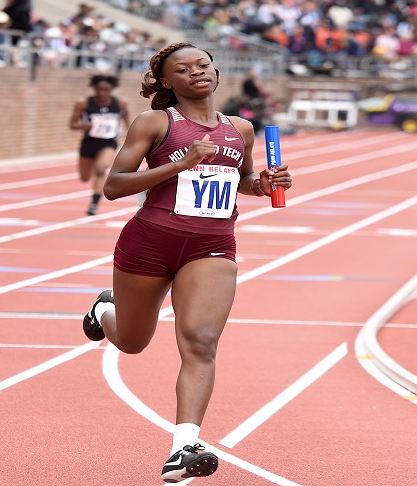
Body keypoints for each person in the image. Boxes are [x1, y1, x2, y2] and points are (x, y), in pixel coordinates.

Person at [80, 42, 292, 483]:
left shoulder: (241, 129)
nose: (197, 73)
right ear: (167, 81)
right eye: (184, 69)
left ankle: (184, 445)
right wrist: (182, 162)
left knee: (201, 341)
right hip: (149, 244)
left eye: (203, 65)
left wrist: (262, 184)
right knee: (134, 342)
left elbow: (243, 179)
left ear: (215, 72)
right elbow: (115, 186)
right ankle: (105, 309)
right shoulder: (156, 122)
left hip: (212, 247)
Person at [69, 74, 129, 215]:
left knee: (101, 169)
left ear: (111, 90)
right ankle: (92, 175)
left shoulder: (120, 104)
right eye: (99, 90)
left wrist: (130, 136)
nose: (102, 93)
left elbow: (129, 122)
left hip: (108, 142)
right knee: (85, 177)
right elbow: (72, 124)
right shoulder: (83, 103)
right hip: (89, 143)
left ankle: (94, 205)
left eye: (105, 90)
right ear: (94, 89)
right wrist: (83, 126)